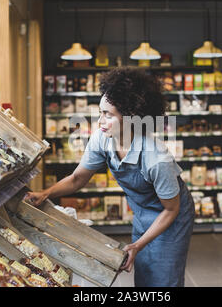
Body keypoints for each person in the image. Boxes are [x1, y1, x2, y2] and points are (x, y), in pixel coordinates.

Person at [27, 67, 195, 287]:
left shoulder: (155, 158)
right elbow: (78, 178)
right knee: (145, 274)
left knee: (164, 277)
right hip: (144, 211)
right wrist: (44, 193)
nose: (100, 121)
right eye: (100, 112)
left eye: (108, 114)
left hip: (172, 214)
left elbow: (171, 209)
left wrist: (137, 245)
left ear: (131, 116)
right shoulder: (102, 139)